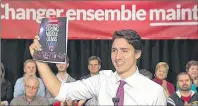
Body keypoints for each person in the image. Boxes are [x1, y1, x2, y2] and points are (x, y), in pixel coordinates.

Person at [29, 29, 166, 105]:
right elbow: (60, 91)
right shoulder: (101, 80)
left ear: (137, 54)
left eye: (124, 51)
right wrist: (40, 61)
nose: (117, 57)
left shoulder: (154, 91)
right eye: (114, 50)